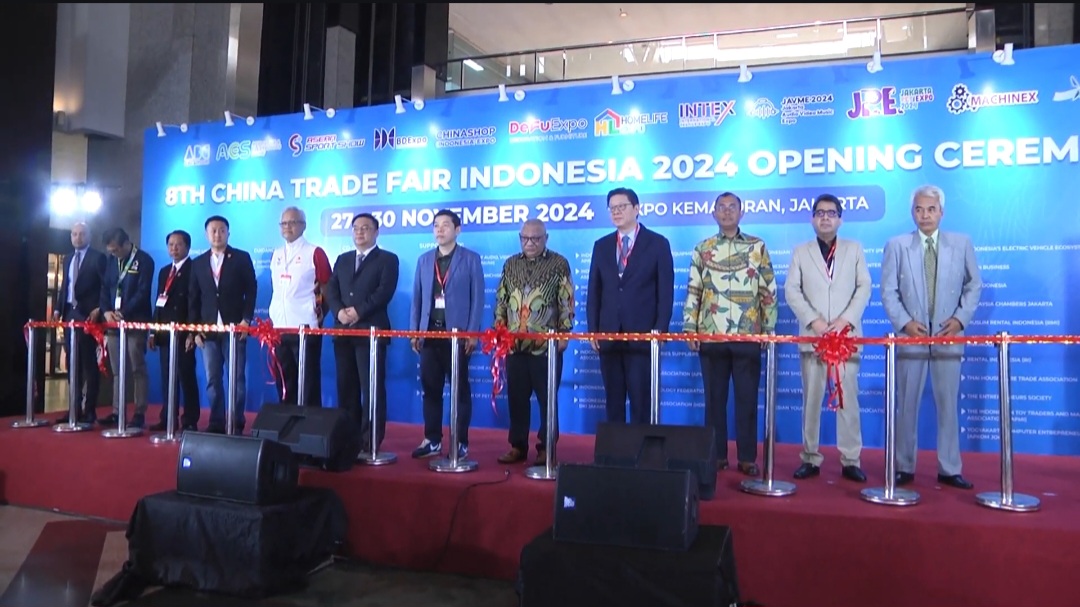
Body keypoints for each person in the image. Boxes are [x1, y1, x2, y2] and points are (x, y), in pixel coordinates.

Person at [881, 184, 981, 489]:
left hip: (948, 337)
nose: (925, 215)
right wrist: (905, 323)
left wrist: (959, 320)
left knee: (949, 406)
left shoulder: (961, 244)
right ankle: (904, 466)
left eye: (931, 209)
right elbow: (888, 292)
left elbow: (974, 285)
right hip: (911, 338)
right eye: (919, 209)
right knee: (906, 404)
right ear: (912, 212)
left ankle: (949, 468)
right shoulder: (897, 245)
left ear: (942, 212)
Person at [683, 192, 777, 476]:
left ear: (741, 212)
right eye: (721, 208)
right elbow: (694, 290)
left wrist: (768, 328)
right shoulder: (703, 248)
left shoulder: (756, 246)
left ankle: (747, 457)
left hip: (748, 335)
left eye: (732, 207)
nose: (726, 212)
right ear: (713, 213)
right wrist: (690, 327)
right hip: (711, 334)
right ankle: (717, 455)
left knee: (747, 400)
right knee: (714, 401)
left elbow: (768, 290)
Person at [783, 194, 871, 483]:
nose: (825, 218)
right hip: (813, 338)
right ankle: (810, 457)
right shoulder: (801, 251)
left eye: (831, 213)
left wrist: (844, 321)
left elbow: (864, 287)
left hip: (846, 339)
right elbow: (792, 291)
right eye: (820, 213)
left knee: (848, 402)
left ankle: (851, 459)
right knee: (811, 401)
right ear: (812, 219)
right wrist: (816, 322)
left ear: (840, 219)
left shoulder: (854, 249)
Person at [586, 187, 674, 425]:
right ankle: (615, 447)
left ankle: (641, 447)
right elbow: (594, 291)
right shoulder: (601, 246)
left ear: (636, 209)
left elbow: (665, 292)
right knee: (613, 401)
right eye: (612, 208)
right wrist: (593, 329)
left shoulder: (657, 244)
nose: (616, 212)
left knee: (640, 401)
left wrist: (660, 330)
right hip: (609, 334)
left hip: (643, 336)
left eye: (621, 207)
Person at [493, 219, 574, 466]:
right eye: (525, 238)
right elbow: (502, 299)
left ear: (545, 238)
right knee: (516, 398)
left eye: (536, 238)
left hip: (546, 347)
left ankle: (546, 448)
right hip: (514, 344)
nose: (530, 243)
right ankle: (517, 445)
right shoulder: (510, 264)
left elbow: (566, 301)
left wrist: (564, 333)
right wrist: (499, 329)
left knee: (547, 400)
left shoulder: (559, 263)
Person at [409, 210, 485, 459]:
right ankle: (432, 439)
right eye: (436, 226)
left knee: (459, 391)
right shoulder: (424, 260)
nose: (440, 230)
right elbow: (417, 299)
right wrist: (414, 332)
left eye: (445, 225)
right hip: (430, 334)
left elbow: (478, 299)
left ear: (457, 230)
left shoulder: (470, 259)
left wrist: (472, 334)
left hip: (457, 335)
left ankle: (460, 441)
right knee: (430, 388)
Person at [325, 213, 400, 453]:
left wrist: (358, 311)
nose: (359, 232)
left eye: (365, 228)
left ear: (376, 232)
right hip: (343, 332)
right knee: (346, 388)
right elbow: (331, 289)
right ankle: (349, 439)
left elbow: (384, 292)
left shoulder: (388, 259)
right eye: (356, 228)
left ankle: (370, 441)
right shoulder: (343, 259)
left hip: (370, 332)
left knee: (371, 389)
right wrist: (339, 312)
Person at [187, 215, 258, 435]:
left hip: (235, 330)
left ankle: (236, 422)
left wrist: (246, 320)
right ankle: (216, 422)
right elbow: (193, 298)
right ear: (206, 234)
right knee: (213, 379)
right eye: (213, 231)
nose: (217, 234)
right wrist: (195, 329)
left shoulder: (241, 258)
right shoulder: (198, 263)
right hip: (208, 332)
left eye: (221, 230)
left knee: (237, 379)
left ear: (228, 233)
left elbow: (251, 290)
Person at [268, 206, 332, 406]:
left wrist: (318, 314)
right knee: (284, 381)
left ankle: (309, 422)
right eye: (284, 223)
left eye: (293, 222)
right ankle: (287, 421)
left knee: (308, 381)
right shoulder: (277, 254)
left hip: (305, 327)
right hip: (279, 328)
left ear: (303, 226)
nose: (287, 227)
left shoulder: (315, 252)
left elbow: (328, 288)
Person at [98, 228, 155, 427]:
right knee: (117, 370)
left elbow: (143, 292)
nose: (113, 254)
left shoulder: (144, 260)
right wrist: (106, 311)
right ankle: (117, 411)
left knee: (137, 367)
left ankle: (139, 412)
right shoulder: (111, 261)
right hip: (113, 323)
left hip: (135, 321)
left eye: (116, 250)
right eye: (110, 251)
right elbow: (104, 288)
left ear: (126, 244)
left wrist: (124, 312)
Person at [53, 222, 107, 424]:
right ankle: (73, 409)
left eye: (82, 234)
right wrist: (58, 309)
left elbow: (105, 286)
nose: (78, 237)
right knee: (72, 364)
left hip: (88, 316)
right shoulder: (68, 258)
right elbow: (65, 286)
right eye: (74, 234)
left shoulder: (98, 258)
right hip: (69, 314)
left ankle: (89, 410)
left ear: (89, 236)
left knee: (89, 365)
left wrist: (99, 308)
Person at [148, 230, 201, 432]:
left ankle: (190, 420)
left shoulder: (195, 268)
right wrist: (153, 331)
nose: (174, 248)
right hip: (164, 333)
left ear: (187, 246)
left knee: (186, 376)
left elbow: (195, 303)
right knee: (167, 377)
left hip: (184, 332)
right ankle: (168, 417)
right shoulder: (164, 271)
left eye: (178, 244)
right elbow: (158, 303)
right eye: (170, 244)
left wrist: (191, 332)